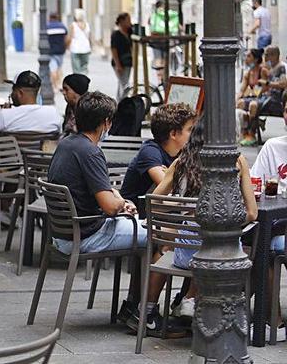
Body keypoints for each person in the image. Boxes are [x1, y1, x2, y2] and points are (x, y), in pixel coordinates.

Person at [136, 118, 258, 334]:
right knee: (252, 248)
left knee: (180, 240)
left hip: (184, 257)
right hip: (222, 257)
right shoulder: (237, 161)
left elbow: (152, 202)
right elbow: (251, 213)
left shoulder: (181, 161)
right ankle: (206, 309)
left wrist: (181, 213)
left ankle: (167, 305)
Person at [47, 92, 149, 329]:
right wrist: (122, 206)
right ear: (106, 123)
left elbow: (105, 191)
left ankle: (134, 306)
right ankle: (144, 310)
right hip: (84, 235)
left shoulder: (67, 144)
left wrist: (120, 200)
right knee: (158, 237)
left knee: (142, 231)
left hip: (63, 233)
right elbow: (108, 206)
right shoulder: (90, 152)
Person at [119, 103, 196, 218]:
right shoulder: (150, 151)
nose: (194, 134)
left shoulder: (183, 153)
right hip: (135, 216)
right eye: (190, 129)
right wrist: (171, 177)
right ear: (173, 134)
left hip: (161, 214)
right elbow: (167, 185)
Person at [0, 71, 60, 138]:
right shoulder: (53, 113)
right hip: (44, 155)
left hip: (12, 155)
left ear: (20, 93)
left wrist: (4, 113)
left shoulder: (4, 115)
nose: (11, 94)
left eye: (13, 90)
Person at [239, 45, 286, 146]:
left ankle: (251, 133)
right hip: (266, 97)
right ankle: (247, 131)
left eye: (266, 55)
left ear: (273, 55)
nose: (264, 57)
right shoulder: (270, 67)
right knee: (243, 104)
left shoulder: (281, 67)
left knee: (253, 105)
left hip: (275, 100)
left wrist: (267, 84)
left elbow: (283, 83)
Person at [111, 12, 134, 100]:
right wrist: (118, 64)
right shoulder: (116, 34)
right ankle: (121, 102)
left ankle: (119, 102)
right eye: (127, 20)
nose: (129, 22)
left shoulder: (130, 32)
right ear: (121, 21)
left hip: (128, 62)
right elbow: (114, 50)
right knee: (124, 84)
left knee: (122, 83)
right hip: (120, 62)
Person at [67, 8, 92, 75]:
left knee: (76, 69)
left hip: (75, 48)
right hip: (86, 48)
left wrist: (67, 46)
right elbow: (89, 37)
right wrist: (90, 47)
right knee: (84, 68)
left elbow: (70, 37)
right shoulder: (87, 25)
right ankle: (84, 82)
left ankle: (77, 83)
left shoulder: (73, 25)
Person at [46, 13, 68, 88]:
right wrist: (65, 47)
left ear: (50, 18)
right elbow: (66, 38)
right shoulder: (62, 26)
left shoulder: (47, 27)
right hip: (61, 50)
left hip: (51, 51)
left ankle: (54, 85)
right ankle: (59, 84)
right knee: (59, 68)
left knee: (53, 69)